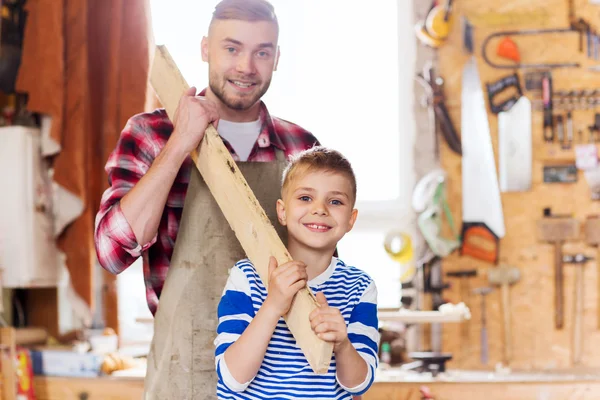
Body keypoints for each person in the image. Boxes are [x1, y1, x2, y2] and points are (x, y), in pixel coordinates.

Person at [94, 0, 319, 316]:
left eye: (262, 53)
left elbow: (324, 275)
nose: (246, 66)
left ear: (277, 59)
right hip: (183, 359)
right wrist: (180, 143)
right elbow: (111, 253)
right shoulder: (150, 133)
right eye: (231, 49)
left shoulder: (302, 148)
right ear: (205, 49)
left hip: (281, 360)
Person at [214, 146, 380, 399]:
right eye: (305, 198)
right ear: (282, 211)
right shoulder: (246, 276)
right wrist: (273, 305)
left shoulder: (359, 287)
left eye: (335, 201)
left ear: (351, 219)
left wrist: (343, 344)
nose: (320, 209)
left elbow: (358, 385)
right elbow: (232, 379)